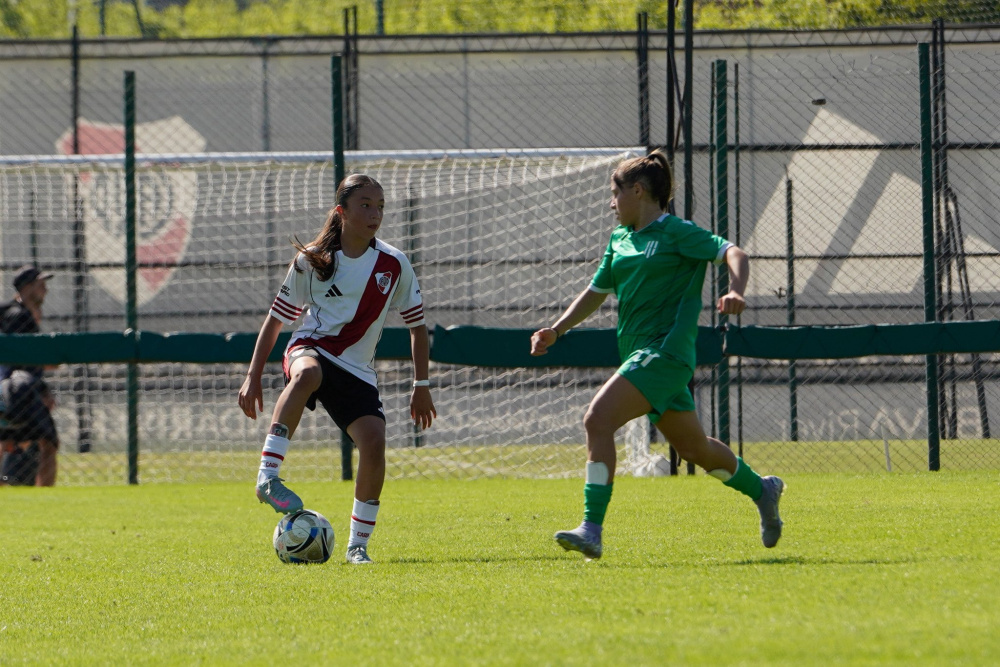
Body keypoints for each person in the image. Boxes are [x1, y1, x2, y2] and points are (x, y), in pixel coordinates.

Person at [530, 150, 784, 560]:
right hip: (641, 357)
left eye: (614, 195)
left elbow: (734, 252)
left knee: (597, 418)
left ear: (637, 190)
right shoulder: (620, 239)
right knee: (694, 450)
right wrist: (557, 330)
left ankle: (591, 528)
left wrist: (736, 290)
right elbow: (597, 292)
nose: (611, 204)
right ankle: (764, 489)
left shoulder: (677, 233)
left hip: (664, 354)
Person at [238, 174, 436, 565]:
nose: (375, 213)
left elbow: (418, 328)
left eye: (380, 205)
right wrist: (252, 375)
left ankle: (357, 546)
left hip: (357, 370)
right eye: (365, 204)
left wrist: (422, 384)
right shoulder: (312, 259)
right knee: (308, 374)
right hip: (310, 348)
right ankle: (267, 477)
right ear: (341, 211)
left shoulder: (394, 264)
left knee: (375, 443)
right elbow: (277, 320)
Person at [0, 265, 58, 487]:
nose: (45, 289)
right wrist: (43, 389)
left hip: (18, 386)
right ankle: (45, 494)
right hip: (14, 388)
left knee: (11, 441)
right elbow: (22, 360)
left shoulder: (16, 313)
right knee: (48, 443)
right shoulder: (18, 316)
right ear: (26, 288)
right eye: (39, 284)